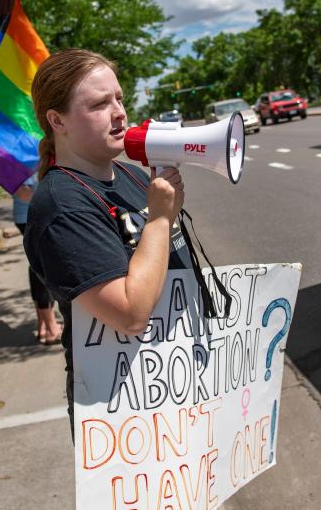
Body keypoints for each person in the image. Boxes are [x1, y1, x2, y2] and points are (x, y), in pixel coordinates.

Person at [22, 49, 190, 436]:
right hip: (121, 403)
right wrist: (161, 217)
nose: (119, 113)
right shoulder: (61, 204)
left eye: (120, 99)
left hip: (169, 381)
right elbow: (129, 313)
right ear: (57, 120)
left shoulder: (131, 177)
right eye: (100, 103)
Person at [12, 176, 62, 345]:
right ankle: (51, 328)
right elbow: (22, 193)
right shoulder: (19, 156)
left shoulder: (31, 155)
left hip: (31, 215)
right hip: (31, 216)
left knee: (36, 266)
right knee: (44, 267)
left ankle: (44, 326)